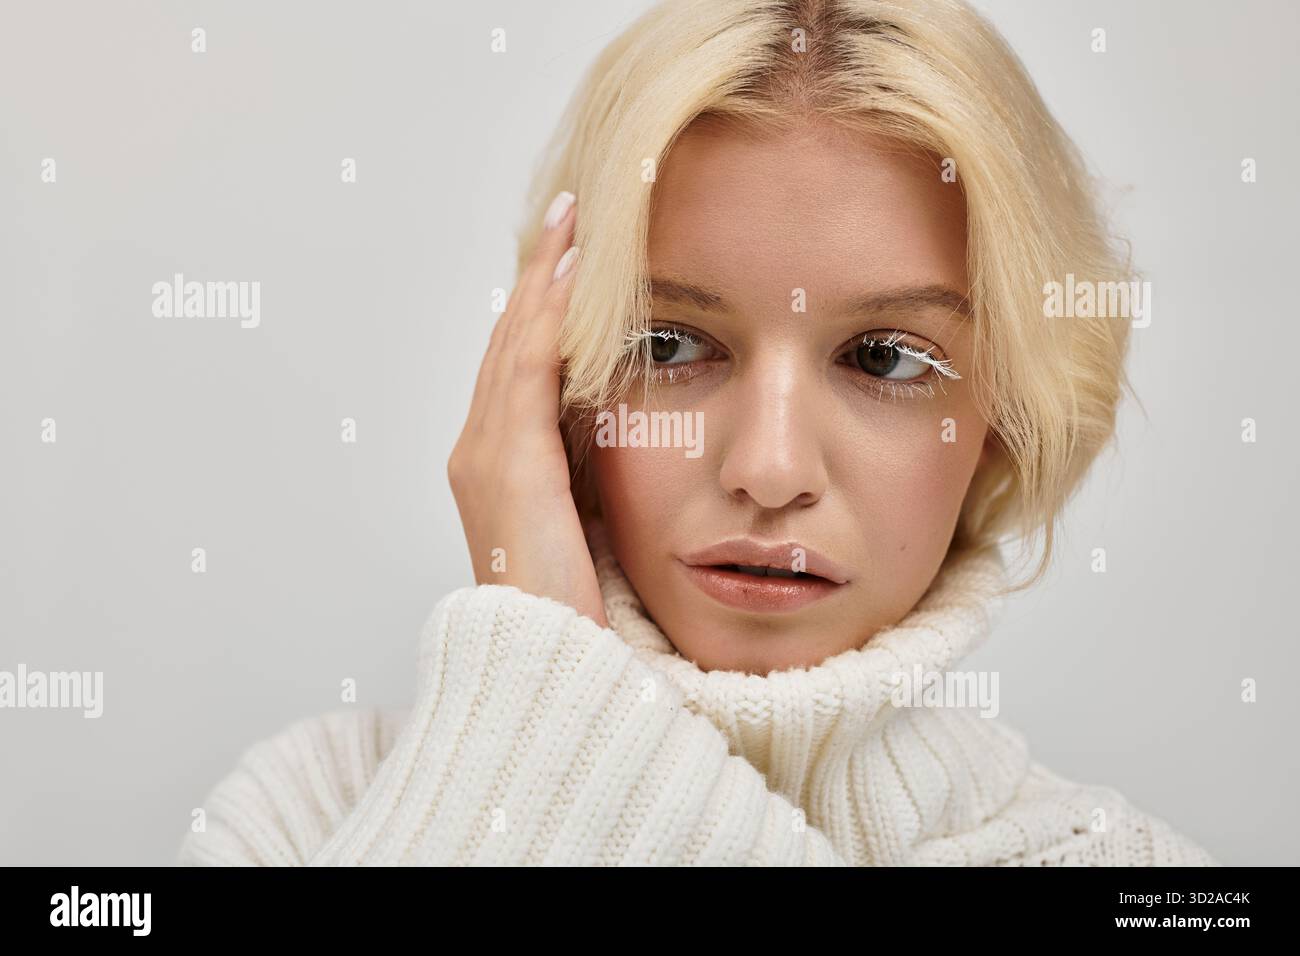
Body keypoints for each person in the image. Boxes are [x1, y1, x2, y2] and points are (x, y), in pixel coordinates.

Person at [178, 0, 1217, 866]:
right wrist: (527, 687)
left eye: (885, 358)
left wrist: (554, 733)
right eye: (670, 344)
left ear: (1004, 417)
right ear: (557, 378)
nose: (767, 470)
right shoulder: (306, 814)